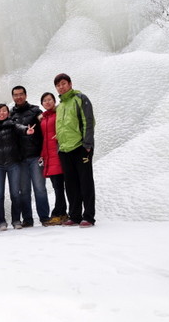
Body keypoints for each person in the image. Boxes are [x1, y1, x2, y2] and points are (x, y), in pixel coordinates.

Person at [0, 104, 35, 230]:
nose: (2, 113)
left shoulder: (12, 123)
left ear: (8, 113)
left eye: (4, 111)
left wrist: (26, 131)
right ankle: (0, 222)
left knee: (15, 193)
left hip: (13, 163)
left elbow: (19, 127)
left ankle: (16, 220)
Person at [54, 73, 96, 228]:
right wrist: (59, 146)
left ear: (70, 84)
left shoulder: (80, 98)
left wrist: (87, 144)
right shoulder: (61, 106)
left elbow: (88, 121)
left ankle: (89, 217)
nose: (61, 87)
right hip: (65, 150)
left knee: (85, 182)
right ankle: (75, 215)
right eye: (58, 85)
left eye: (63, 83)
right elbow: (62, 127)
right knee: (71, 184)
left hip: (80, 147)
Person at [10, 85, 50, 227]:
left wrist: (44, 152)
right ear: (13, 97)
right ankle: (27, 219)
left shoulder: (35, 111)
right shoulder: (10, 115)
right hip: (20, 159)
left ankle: (44, 217)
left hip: (35, 156)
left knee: (40, 188)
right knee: (24, 191)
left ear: (26, 95)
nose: (19, 97)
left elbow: (45, 130)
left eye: (21, 94)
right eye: (16, 94)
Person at [39, 92, 68, 226]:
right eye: (45, 101)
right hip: (49, 157)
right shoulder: (43, 119)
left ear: (54, 101)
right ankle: (62, 213)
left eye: (49, 99)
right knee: (57, 186)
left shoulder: (58, 114)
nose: (47, 102)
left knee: (59, 187)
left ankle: (59, 213)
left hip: (58, 154)